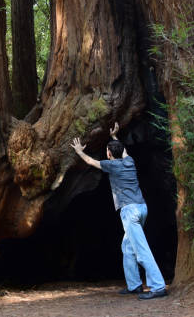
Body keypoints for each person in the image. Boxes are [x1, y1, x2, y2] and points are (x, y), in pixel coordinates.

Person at [70, 123, 167, 300]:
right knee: (127, 247)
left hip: (130, 211)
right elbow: (122, 151)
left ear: (108, 154)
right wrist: (114, 137)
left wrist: (79, 151)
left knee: (141, 249)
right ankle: (134, 285)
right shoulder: (129, 161)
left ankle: (158, 286)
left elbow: (91, 161)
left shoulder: (112, 166)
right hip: (141, 208)